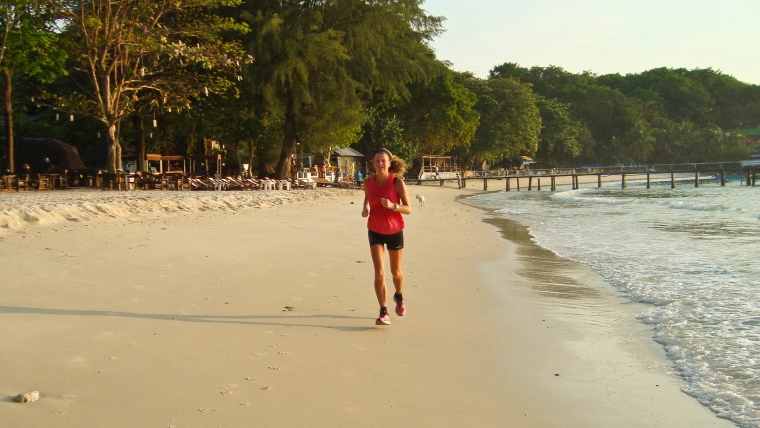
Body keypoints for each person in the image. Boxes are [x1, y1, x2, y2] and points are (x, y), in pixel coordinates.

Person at [361, 148, 412, 325]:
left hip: (394, 231)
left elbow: (408, 209)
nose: (380, 164)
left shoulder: (397, 182)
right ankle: (383, 312)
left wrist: (393, 206)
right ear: (373, 163)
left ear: (389, 163)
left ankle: (399, 296)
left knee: (395, 273)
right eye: (377, 161)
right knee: (379, 272)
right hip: (375, 229)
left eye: (383, 161)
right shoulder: (368, 182)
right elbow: (367, 198)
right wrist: (365, 208)